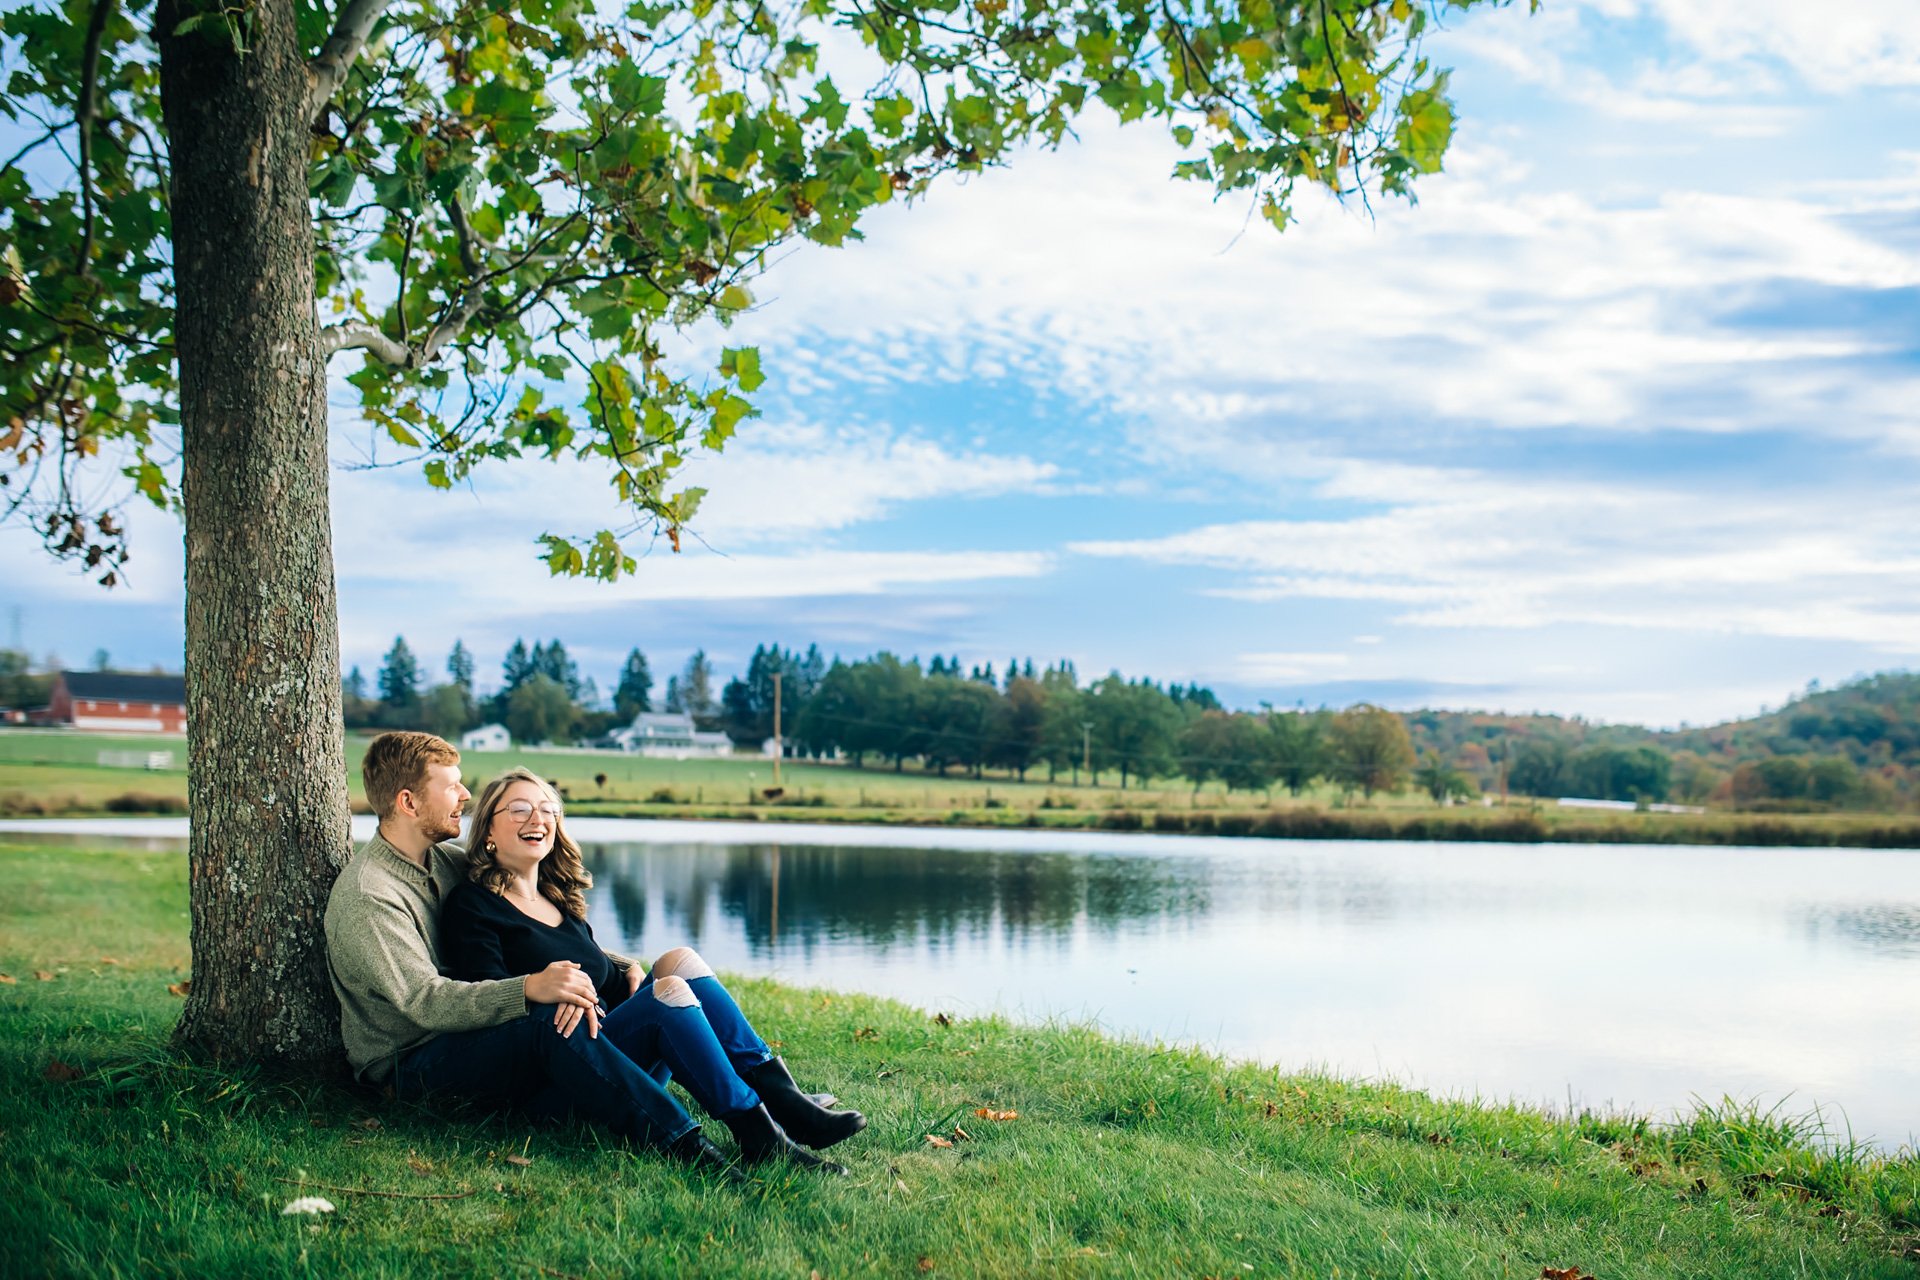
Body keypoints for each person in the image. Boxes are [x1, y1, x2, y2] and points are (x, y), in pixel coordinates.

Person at [323, 732, 737, 1175]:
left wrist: (616, 965)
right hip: (414, 1065)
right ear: (408, 802)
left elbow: (529, 922)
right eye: (451, 786)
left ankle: (767, 1111)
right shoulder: (372, 894)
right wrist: (529, 988)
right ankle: (684, 1142)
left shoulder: (444, 860)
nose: (466, 795)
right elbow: (423, 1001)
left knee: (667, 984)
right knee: (545, 1015)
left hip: (472, 1040)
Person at [440, 766, 865, 1172]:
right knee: (669, 993)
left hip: (614, 1056)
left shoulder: (558, 903)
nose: (538, 818)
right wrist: (539, 988)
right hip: (561, 1075)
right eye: (519, 809)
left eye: (548, 809)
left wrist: (624, 974)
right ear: (489, 830)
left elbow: (599, 975)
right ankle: (759, 1134)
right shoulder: (474, 904)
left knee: (680, 961)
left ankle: (785, 1102)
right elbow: (487, 1001)